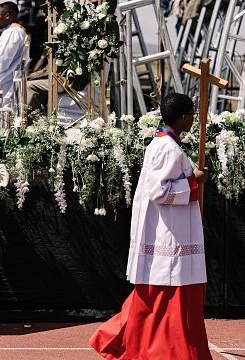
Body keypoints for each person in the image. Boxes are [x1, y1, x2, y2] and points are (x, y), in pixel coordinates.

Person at [89, 93, 212, 360]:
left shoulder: (164, 144)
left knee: (160, 293)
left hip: (169, 227)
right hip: (168, 231)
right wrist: (194, 183)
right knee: (167, 290)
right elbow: (160, 191)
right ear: (182, 117)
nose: (193, 119)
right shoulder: (167, 148)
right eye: (191, 114)